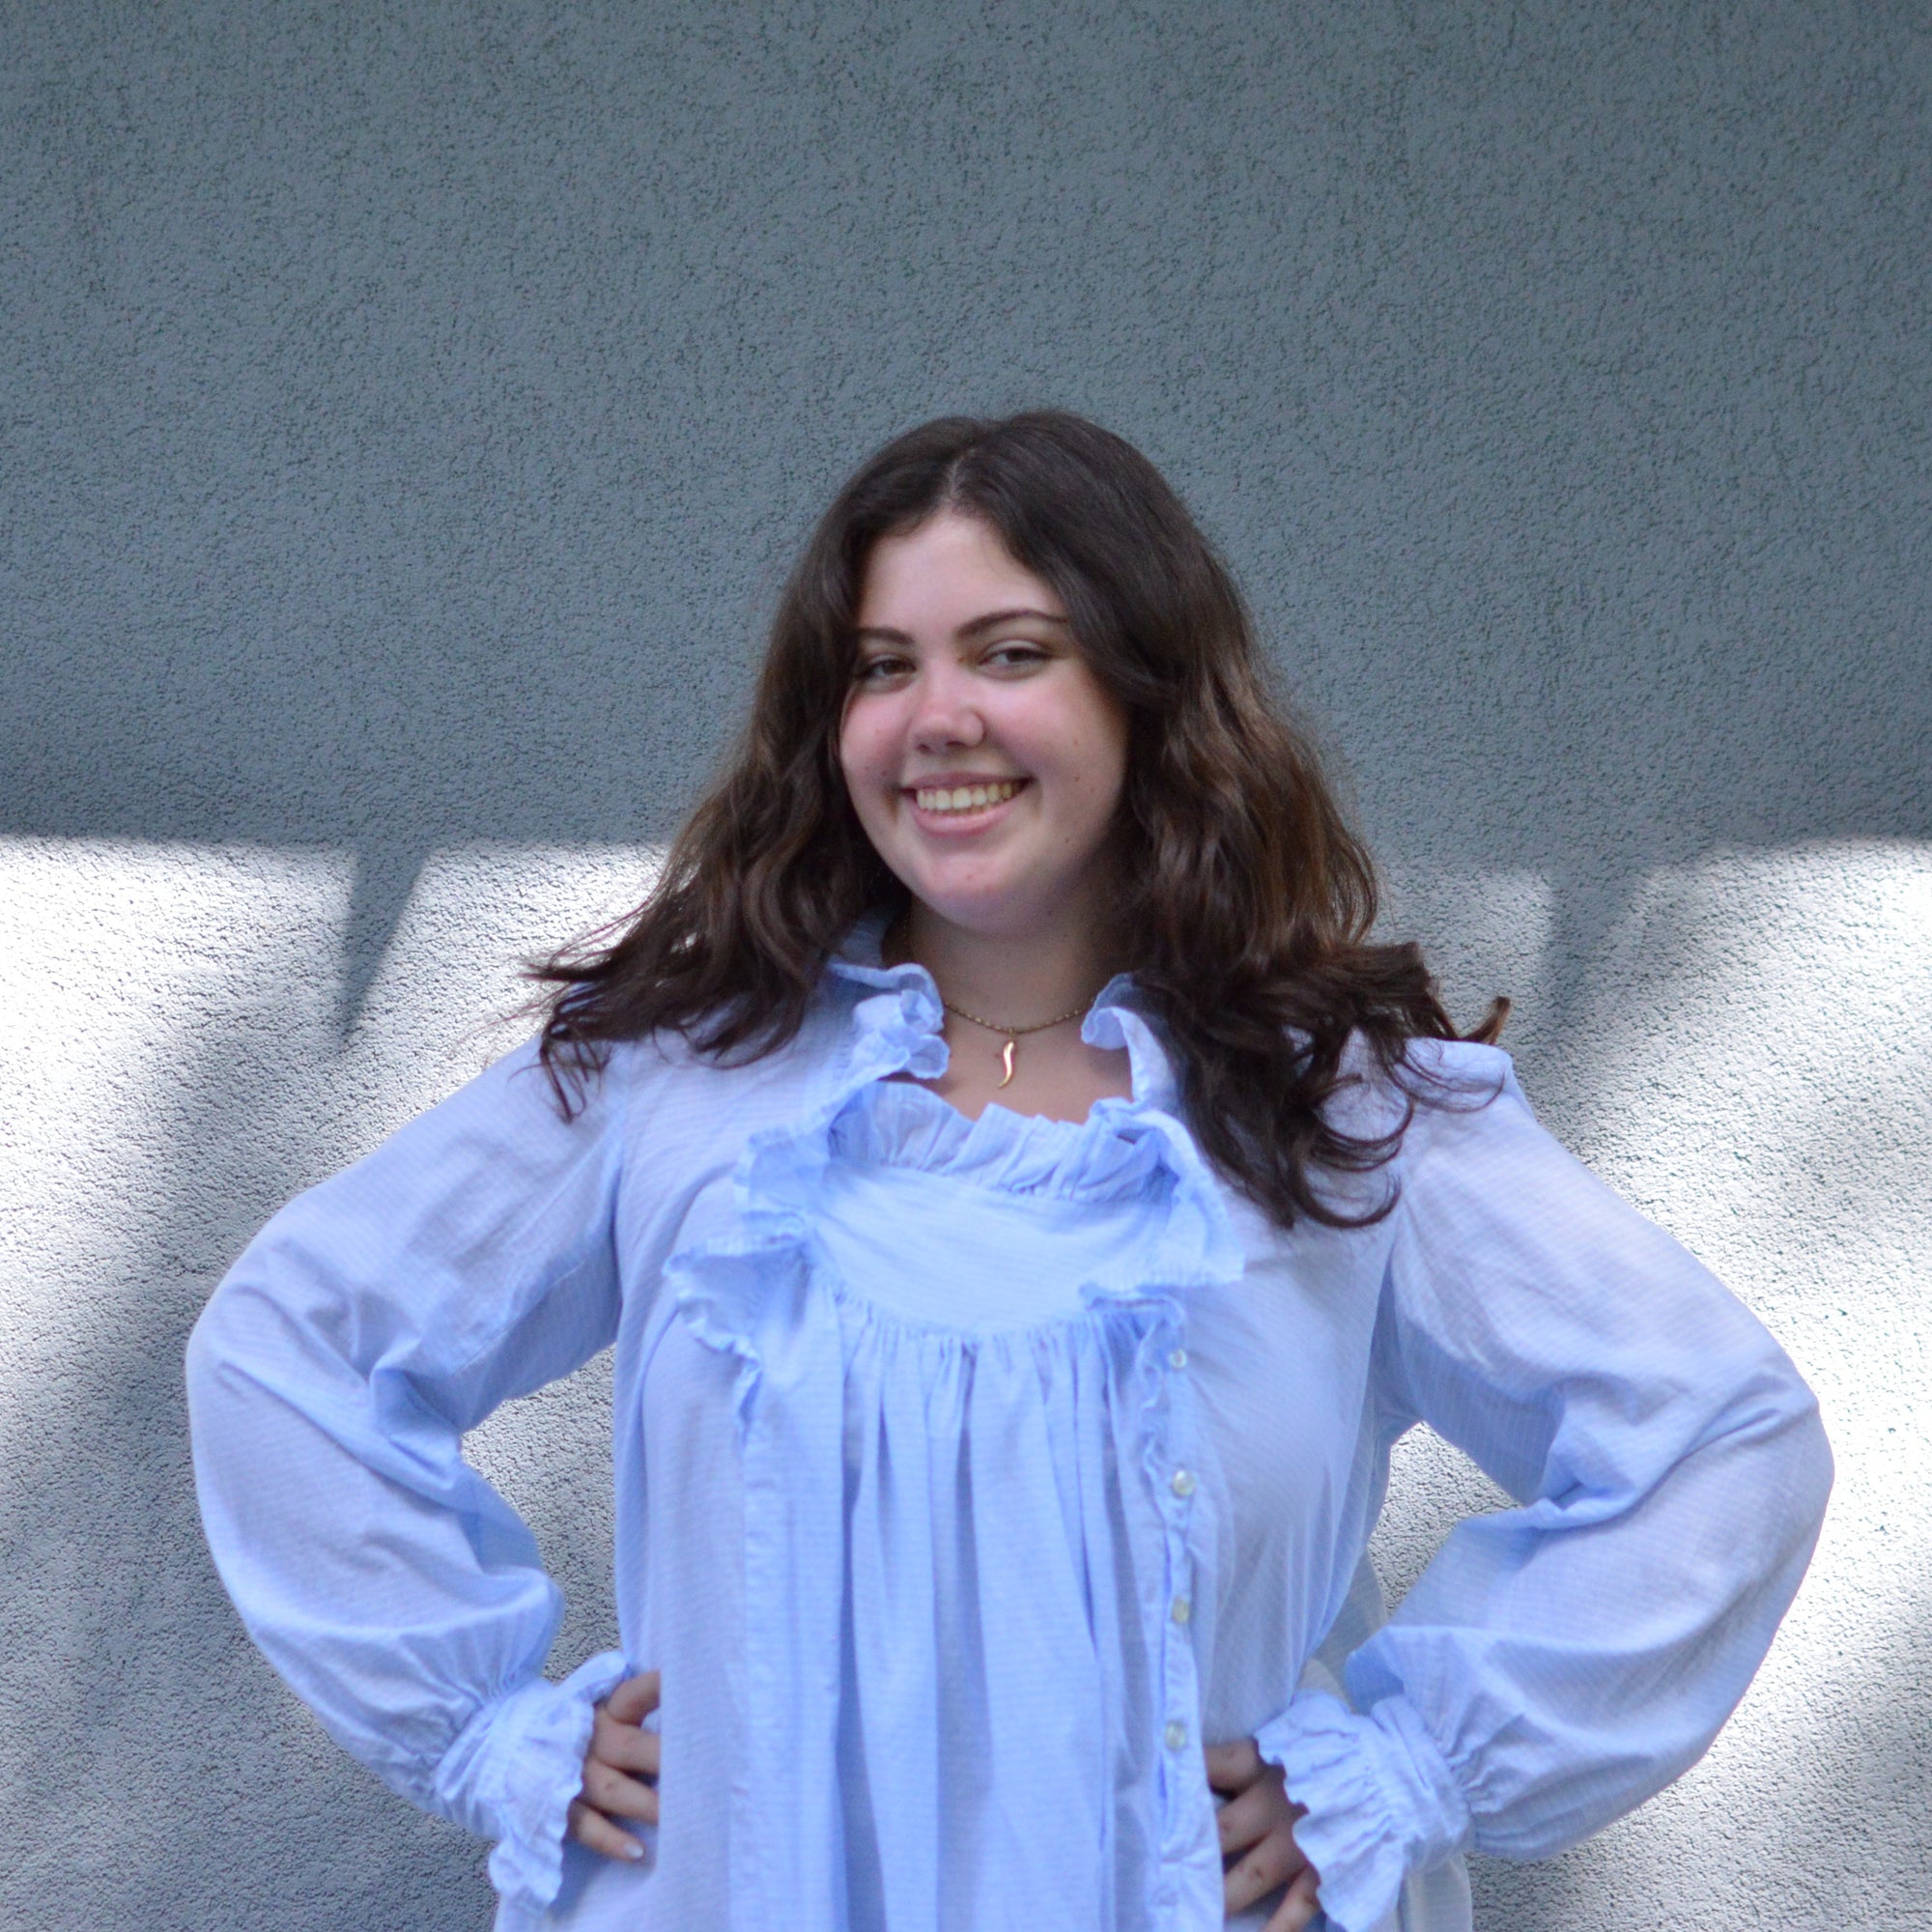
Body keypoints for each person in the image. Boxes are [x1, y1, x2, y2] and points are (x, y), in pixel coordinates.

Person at [186, 412, 1832, 1932]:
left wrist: (1412, 1768)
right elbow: (292, 1345)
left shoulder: (1336, 1111)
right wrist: (484, 1729)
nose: (936, 717)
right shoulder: (682, 1075)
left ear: (1145, 692)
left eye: (1012, 653)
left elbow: (1717, 1438)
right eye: (883, 666)